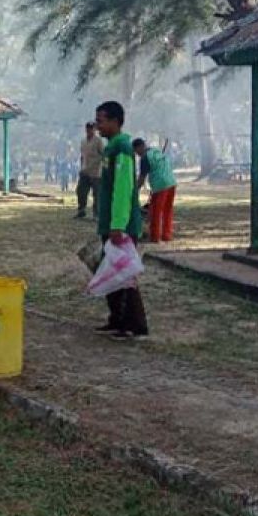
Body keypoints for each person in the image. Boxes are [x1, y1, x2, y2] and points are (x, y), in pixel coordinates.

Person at [94, 101, 148, 340]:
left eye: (101, 121)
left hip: (121, 225)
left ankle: (133, 324)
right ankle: (116, 319)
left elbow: (123, 188)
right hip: (110, 223)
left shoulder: (123, 148)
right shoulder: (111, 148)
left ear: (115, 122)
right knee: (111, 270)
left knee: (124, 275)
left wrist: (118, 224)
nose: (98, 126)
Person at [134, 138, 177, 242]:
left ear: (140, 147)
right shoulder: (156, 151)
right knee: (167, 210)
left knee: (155, 212)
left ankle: (155, 236)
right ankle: (167, 235)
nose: (137, 154)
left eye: (136, 151)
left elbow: (141, 178)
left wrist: (134, 191)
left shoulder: (145, 158)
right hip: (171, 182)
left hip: (160, 185)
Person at [75, 122, 103, 219]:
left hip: (96, 173)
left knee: (97, 194)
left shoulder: (98, 141)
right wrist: (81, 167)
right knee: (80, 191)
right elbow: (82, 156)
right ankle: (81, 210)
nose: (89, 130)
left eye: (91, 128)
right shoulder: (83, 141)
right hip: (85, 171)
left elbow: (103, 155)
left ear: (94, 130)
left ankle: (97, 214)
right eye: (88, 128)